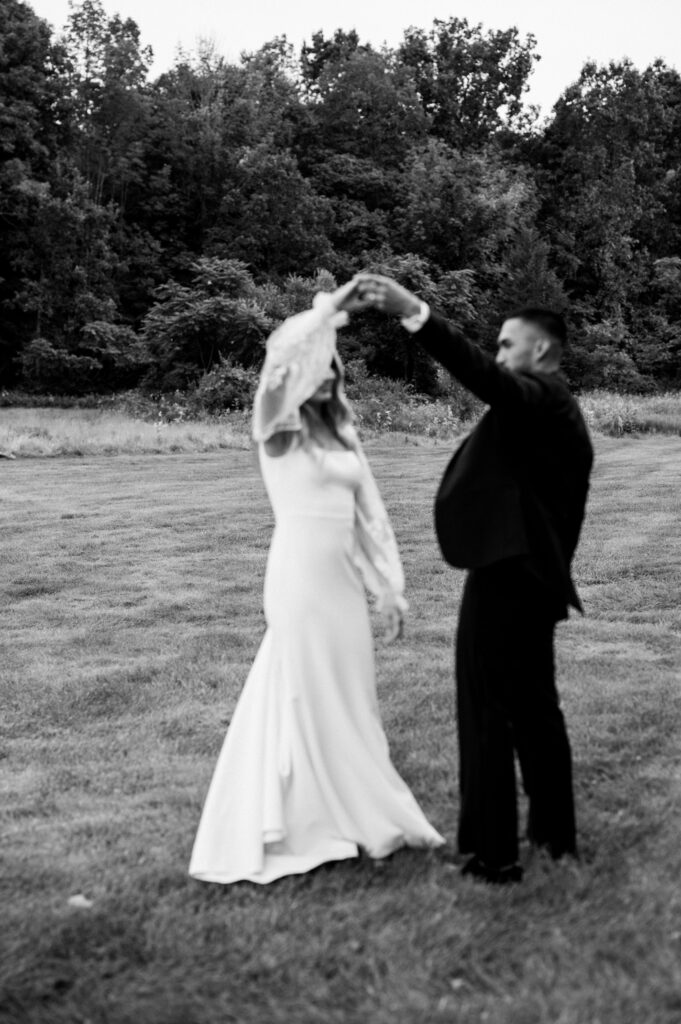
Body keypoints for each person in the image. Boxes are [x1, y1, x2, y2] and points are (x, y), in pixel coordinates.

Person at [189, 282, 444, 885]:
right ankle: (297, 818)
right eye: (317, 364)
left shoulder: (345, 436)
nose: (326, 373)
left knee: (350, 692)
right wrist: (330, 311)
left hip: (338, 584)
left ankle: (355, 808)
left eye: (332, 366)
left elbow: (369, 518)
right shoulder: (276, 432)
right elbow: (282, 357)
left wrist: (389, 586)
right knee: (303, 687)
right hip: (297, 576)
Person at [356, 274, 593, 884]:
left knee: (486, 707)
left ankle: (493, 856)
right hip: (531, 578)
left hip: (509, 577)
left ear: (539, 349)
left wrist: (416, 313)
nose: (498, 355)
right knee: (536, 708)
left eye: (507, 344)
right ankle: (553, 836)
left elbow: (484, 377)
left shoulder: (541, 396)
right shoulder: (548, 406)